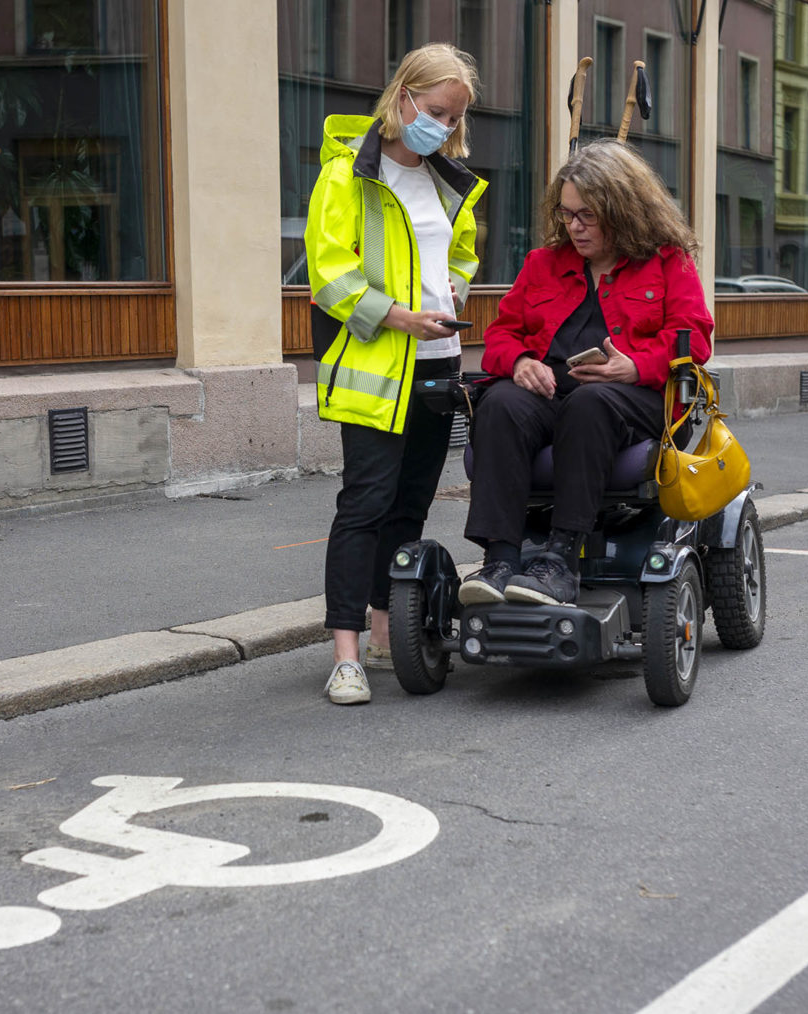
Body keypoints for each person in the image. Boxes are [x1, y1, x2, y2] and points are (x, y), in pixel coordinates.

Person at [305, 43, 487, 705]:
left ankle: (386, 633)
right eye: (435, 110)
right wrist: (398, 317)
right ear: (401, 96)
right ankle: (345, 654)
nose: (441, 125)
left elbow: (460, 253)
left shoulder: (447, 179)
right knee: (364, 505)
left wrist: (453, 297)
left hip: (439, 365)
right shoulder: (345, 176)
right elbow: (328, 277)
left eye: (454, 117)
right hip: (376, 367)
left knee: (408, 507)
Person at [458, 139, 713, 607]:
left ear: (623, 210)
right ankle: (500, 560)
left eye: (587, 215)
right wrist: (520, 362)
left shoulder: (666, 261)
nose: (573, 226)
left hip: (628, 399)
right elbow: (500, 337)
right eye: (567, 213)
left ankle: (559, 559)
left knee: (590, 402)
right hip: (550, 396)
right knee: (499, 403)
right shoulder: (543, 265)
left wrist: (635, 365)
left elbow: (694, 338)